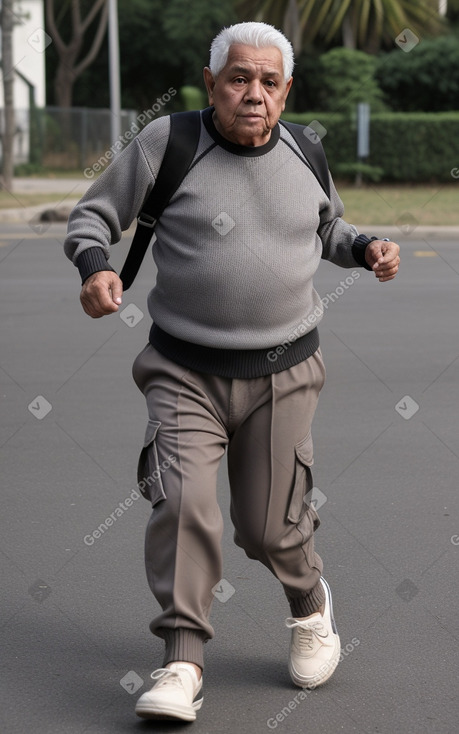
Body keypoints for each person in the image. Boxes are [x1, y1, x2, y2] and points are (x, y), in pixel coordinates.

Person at [64, 21, 400, 722]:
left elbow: (327, 227)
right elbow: (92, 217)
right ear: (211, 82)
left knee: (268, 527)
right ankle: (181, 661)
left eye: (267, 81)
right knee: (183, 503)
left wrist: (364, 246)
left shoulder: (305, 148)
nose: (253, 93)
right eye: (238, 79)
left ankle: (309, 605)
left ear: (285, 91)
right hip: (183, 368)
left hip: (286, 371)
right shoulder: (169, 143)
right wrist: (95, 268)